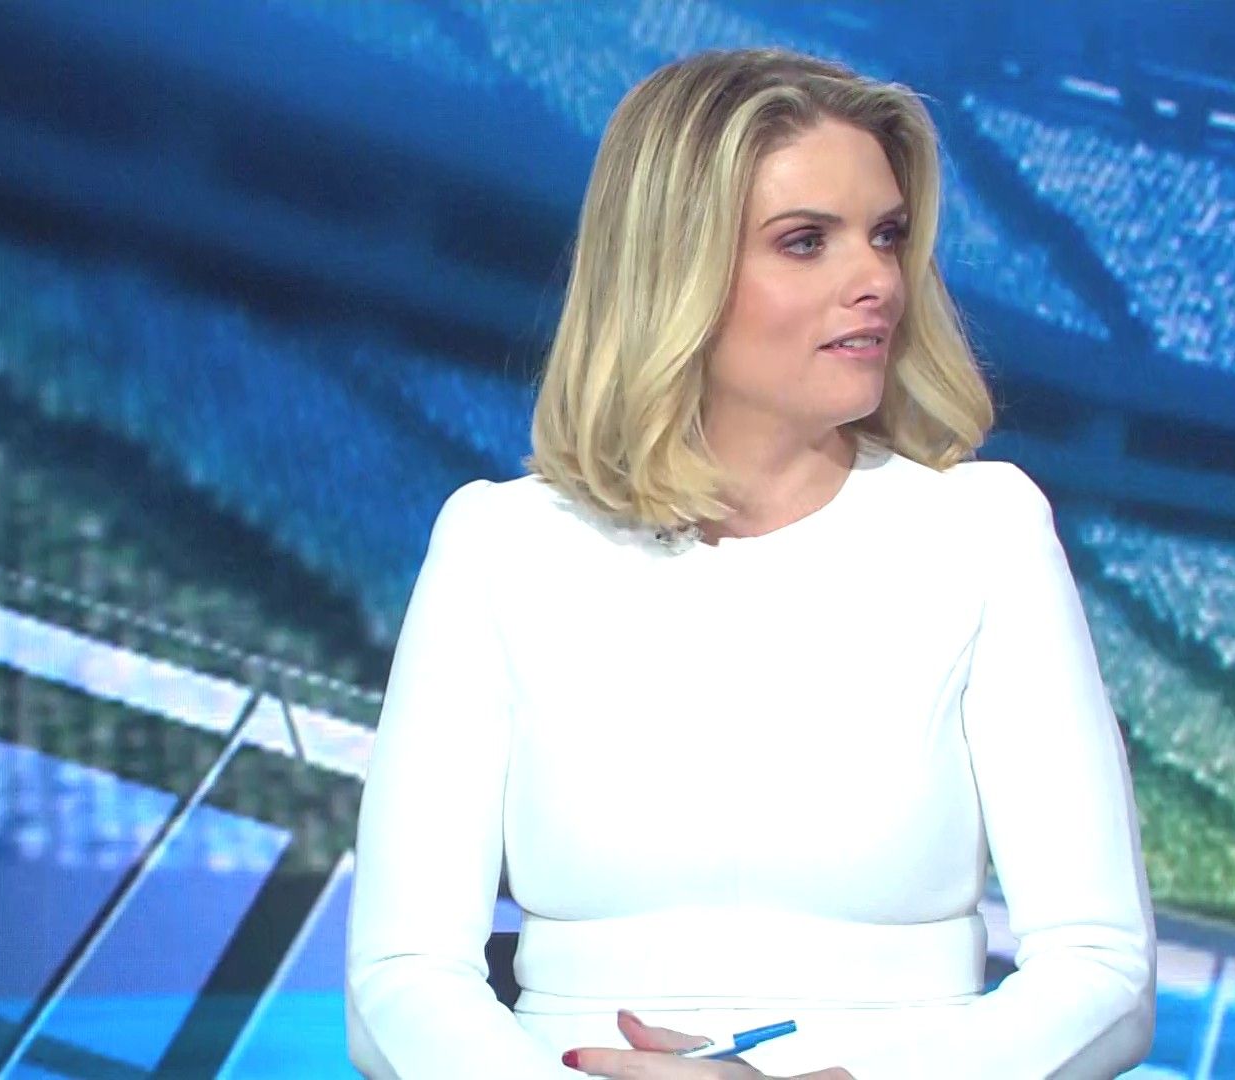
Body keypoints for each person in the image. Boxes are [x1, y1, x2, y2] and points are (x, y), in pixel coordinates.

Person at [345, 47, 1155, 1080]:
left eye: (887, 235)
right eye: (806, 242)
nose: (877, 280)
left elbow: (1100, 970)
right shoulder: (499, 545)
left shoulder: (986, 532)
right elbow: (402, 978)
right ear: (673, 269)